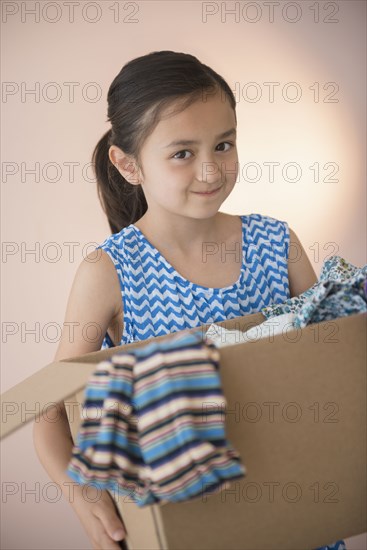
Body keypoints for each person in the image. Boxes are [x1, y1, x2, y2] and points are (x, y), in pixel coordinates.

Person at [33, 50, 338, 550]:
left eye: (224, 144)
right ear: (128, 164)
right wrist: (85, 500)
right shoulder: (109, 270)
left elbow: (330, 355)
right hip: (187, 525)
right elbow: (46, 410)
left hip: (295, 514)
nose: (210, 171)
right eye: (182, 153)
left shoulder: (278, 243)